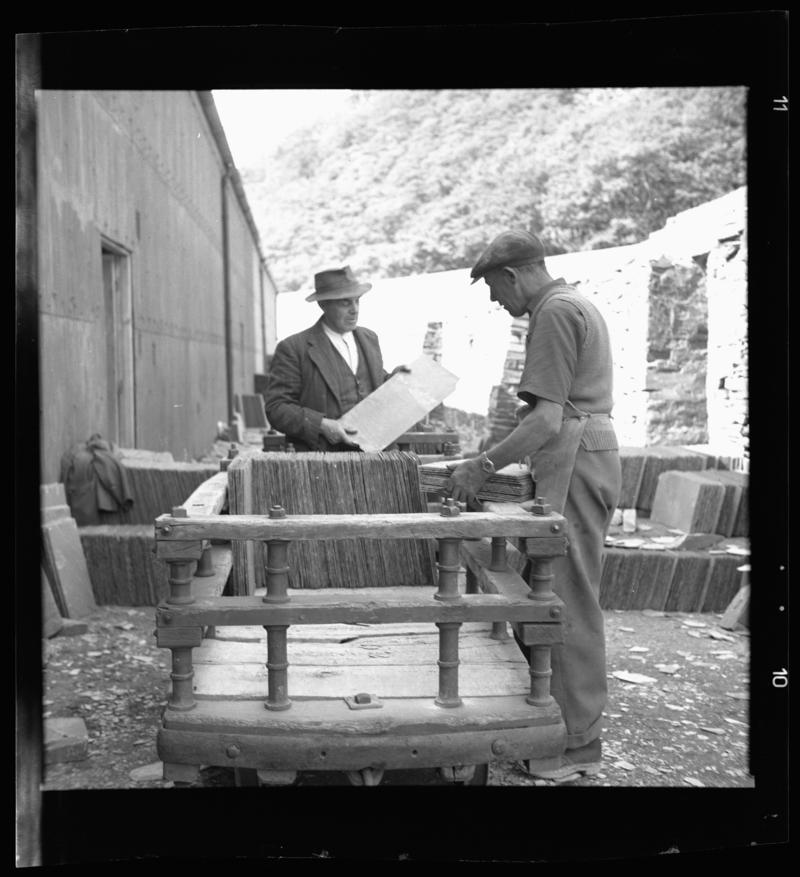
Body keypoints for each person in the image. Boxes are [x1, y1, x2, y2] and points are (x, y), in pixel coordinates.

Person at [445, 230, 622, 782]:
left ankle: (571, 744)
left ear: (514, 275)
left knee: (564, 597)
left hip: (577, 455)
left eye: (494, 288)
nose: (496, 301)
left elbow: (545, 420)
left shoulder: (553, 312)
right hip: (584, 451)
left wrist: (482, 467)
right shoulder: (573, 304)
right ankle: (563, 730)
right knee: (559, 589)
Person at [264, 265, 409, 451]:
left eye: (357, 301)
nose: (354, 310)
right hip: (324, 461)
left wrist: (397, 378)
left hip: (375, 456)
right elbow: (277, 408)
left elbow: (372, 383)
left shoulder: (369, 338)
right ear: (323, 304)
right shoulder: (294, 348)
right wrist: (322, 425)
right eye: (345, 303)